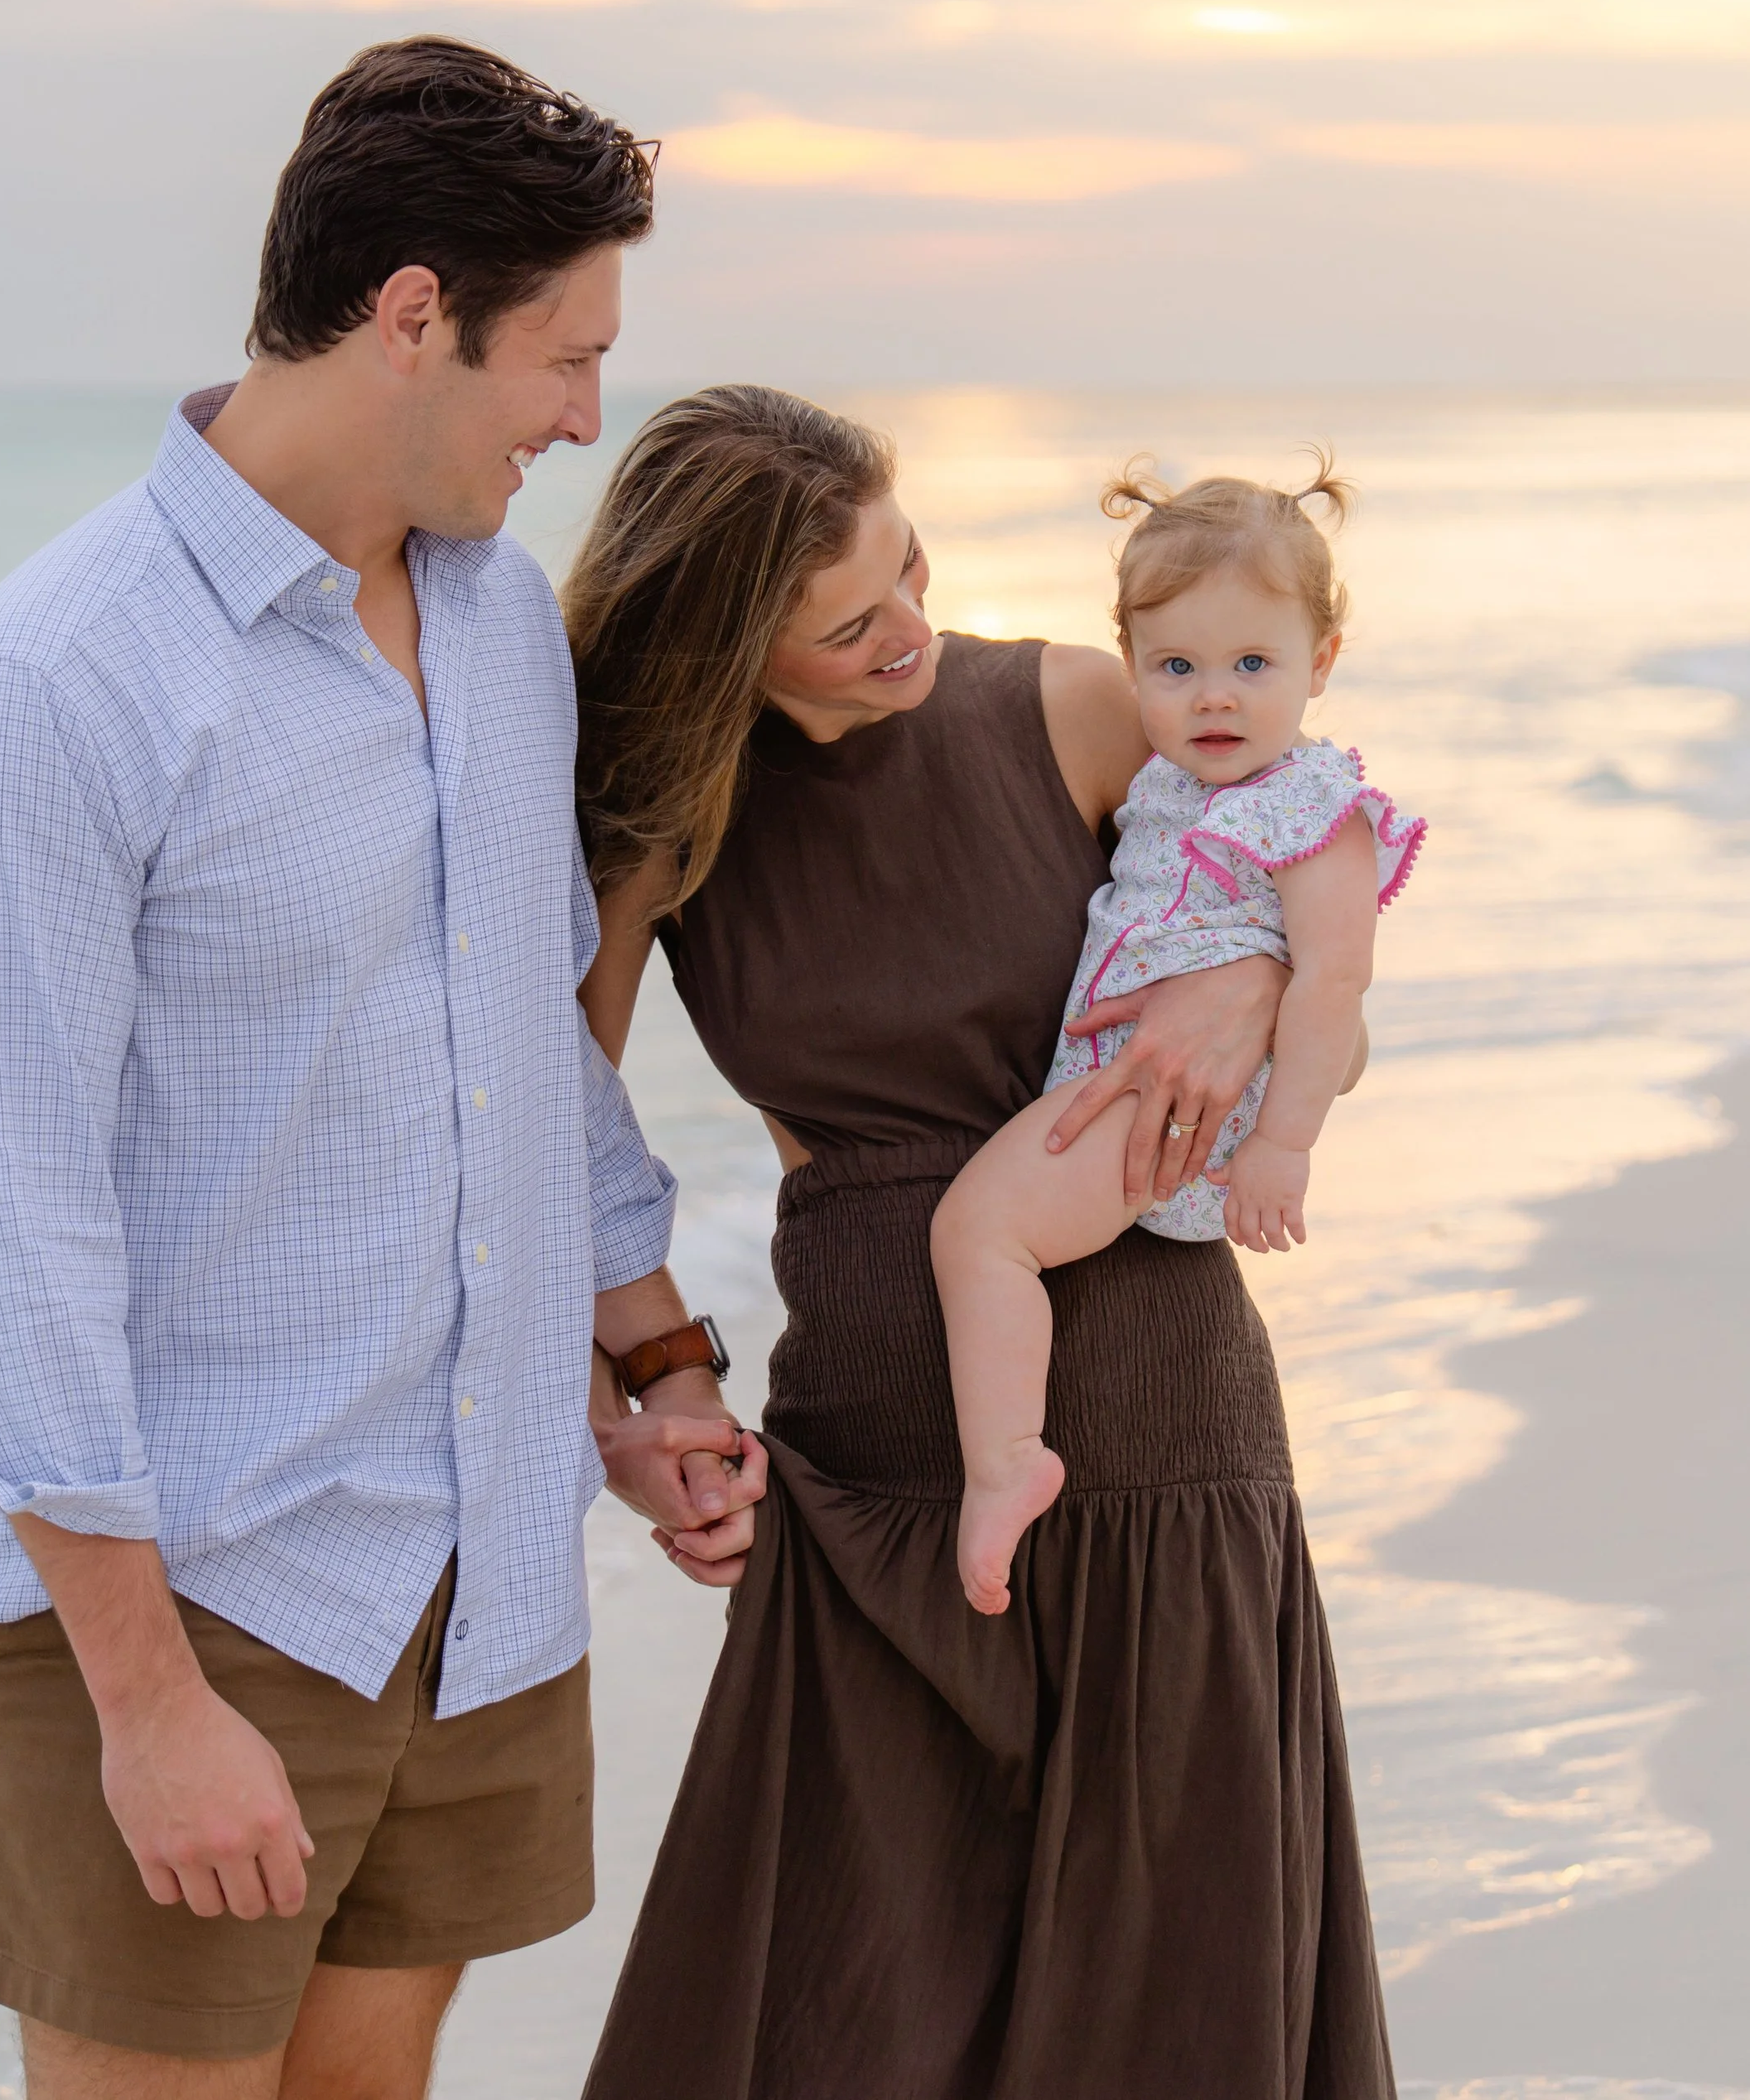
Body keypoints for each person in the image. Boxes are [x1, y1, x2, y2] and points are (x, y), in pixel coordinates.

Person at [0, 37, 764, 2100]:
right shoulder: (46, 693)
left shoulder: (499, 624)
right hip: (180, 1593)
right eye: (564, 355)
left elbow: (516, 1068)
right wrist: (148, 1698)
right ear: (412, 313)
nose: (582, 417)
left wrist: (648, 1380)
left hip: (472, 1569)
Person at [566, 386, 1396, 2100]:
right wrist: (649, 1375)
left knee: (1160, 2012)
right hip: (866, 1457)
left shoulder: (1074, 707)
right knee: (834, 2008)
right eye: (849, 622)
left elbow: (1288, 858)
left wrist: (1238, 988)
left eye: (912, 571)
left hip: (1154, 1423)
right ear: (729, 650)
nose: (909, 634)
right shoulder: (662, 814)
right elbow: (544, 1105)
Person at [932, 458, 1427, 1612]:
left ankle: (1007, 1463)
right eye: (1178, 668)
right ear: (1130, 665)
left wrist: (1281, 1147)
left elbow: (1332, 982)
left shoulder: (1317, 806)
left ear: (1322, 664)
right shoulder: (1166, 784)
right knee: (992, 1235)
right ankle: (1014, 1451)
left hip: (1181, 1109)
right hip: (1133, 1078)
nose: (1216, 698)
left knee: (982, 1234)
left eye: (1253, 665)